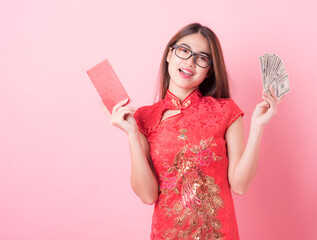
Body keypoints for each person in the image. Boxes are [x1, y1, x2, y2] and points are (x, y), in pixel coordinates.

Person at [105, 23, 284, 239]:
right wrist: (132, 135)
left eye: (201, 58)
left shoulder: (226, 111)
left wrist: (257, 128)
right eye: (184, 51)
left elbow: (240, 185)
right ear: (170, 54)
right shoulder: (144, 118)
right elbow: (147, 195)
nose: (190, 62)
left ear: (209, 70)